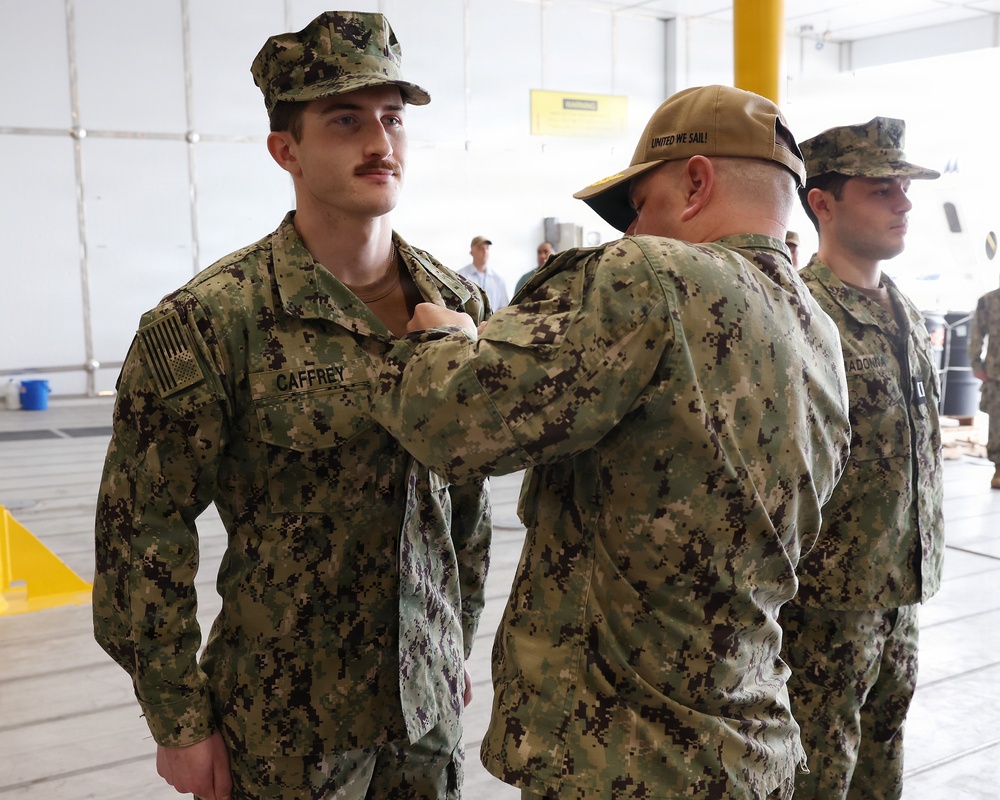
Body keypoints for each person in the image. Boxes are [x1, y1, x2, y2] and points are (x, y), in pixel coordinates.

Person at [371, 84, 852, 799]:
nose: (632, 231)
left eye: (639, 206)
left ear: (695, 182)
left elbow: (447, 420)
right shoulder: (820, 332)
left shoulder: (652, 275)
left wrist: (442, 341)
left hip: (625, 761)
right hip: (751, 746)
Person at [92, 11, 491, 800]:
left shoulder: (457, 306)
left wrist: (453, 643)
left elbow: (469, 507)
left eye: (392, 118)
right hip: (284, 731)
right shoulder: (213, 321)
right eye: (345, 120)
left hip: (425, 719)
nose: (379, 142)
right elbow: (141, 532)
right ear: (287, 150)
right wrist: (178, 719)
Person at [782, 117, 945, 799]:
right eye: (882, 190)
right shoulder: (800, 317)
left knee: (882, 760)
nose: (904, 203)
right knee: (818, 772)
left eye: (904, 188)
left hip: (899, 587)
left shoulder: (905, 312)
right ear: (822, 202)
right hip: (825, 606)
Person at [969, 283, 1000, 488]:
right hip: (996, 374)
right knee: (997, 423)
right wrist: (976, 364)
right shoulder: (988, 301)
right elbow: (976, 335)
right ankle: (999, 468)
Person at [459, 235, 509, 308]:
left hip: (494, 315)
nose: (485, 251)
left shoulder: (498, 280)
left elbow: (504, 307)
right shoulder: (460, 276)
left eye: (487, 248)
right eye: (481, 248)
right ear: (472, 252)